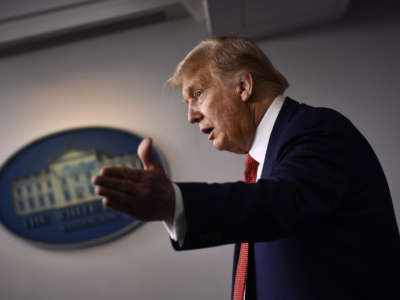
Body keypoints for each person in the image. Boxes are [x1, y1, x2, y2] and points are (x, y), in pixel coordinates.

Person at [92, 37, 400, 299]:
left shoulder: (317, 130)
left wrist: (176, 203)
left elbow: (279, 203)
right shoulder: (267, 164)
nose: (191, 116)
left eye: (198, 94)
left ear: (243, 86)